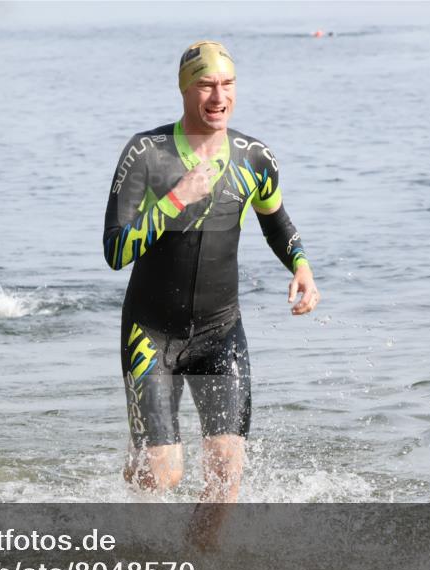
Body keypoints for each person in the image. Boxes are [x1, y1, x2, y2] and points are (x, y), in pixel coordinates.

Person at [103, 41, 320, 505]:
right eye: (205, 85)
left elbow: (276, 222)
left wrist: (301, 266)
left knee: (226, 479)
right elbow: (115, 250)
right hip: (151, 335)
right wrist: (177, 198)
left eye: (227, 84)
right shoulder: (147, 154)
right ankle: (140, 457)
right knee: (162, 477)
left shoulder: (253, 158)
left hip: (220, 332)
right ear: (184, 90)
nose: (218, 97)